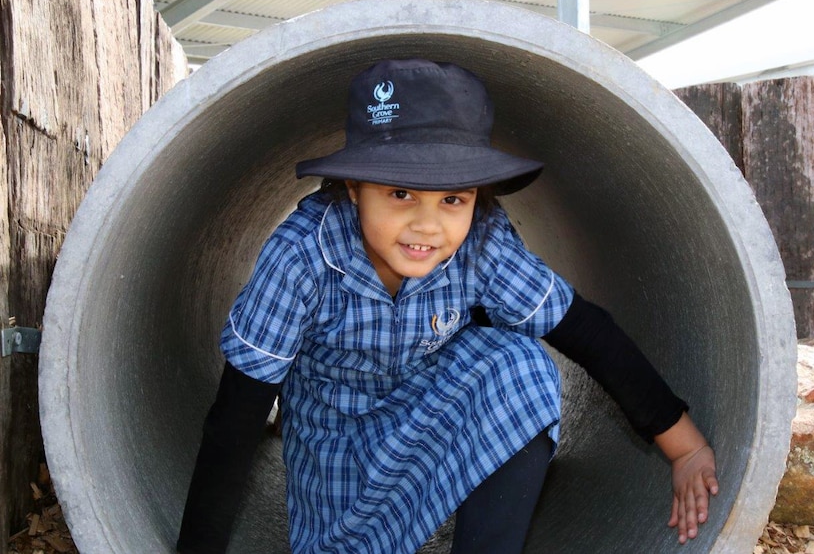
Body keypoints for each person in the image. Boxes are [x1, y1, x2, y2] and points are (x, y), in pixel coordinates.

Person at [176, 58, 719, 554]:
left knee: (520, 364)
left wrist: (685, 448)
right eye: (400, 193)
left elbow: (583, 328)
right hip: (336, 449)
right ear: (351, 186)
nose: (427, 225)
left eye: (453, 199)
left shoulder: (480, 243)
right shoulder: (302, 255)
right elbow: (235, 419)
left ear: (478, 199)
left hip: (431, 417)